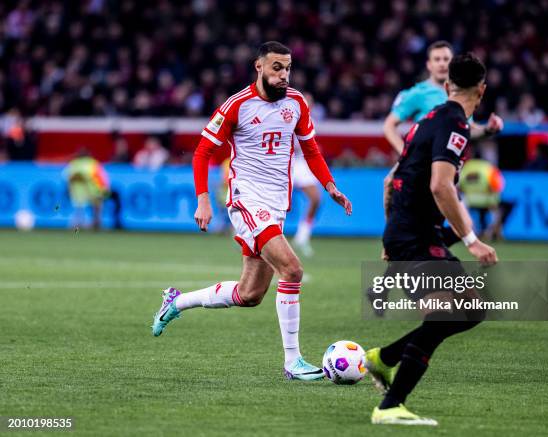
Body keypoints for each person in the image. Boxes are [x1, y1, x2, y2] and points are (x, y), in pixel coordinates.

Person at [151, 42, 352, 381]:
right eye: (276, 67)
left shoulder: (297, 103)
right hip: (246, 199)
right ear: (258, 66)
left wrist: (330, 186)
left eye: (287, 68)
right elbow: (202, 153)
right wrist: (203, 199)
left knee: (250, 294)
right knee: (292, 269)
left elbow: (311, 150)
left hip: (276, 205)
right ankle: (293, 362)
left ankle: (176, 302)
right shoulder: (237, 105)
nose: (283, 74)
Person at [366, 53, 498, 426]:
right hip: (415, 238)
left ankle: (385, 359)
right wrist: (471, 239)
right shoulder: (453, 125)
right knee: (454, 312)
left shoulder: (430, 119)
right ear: (482, 90)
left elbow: (391, 180)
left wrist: (390, 233)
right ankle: (390, 405)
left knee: (467, 309)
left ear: (446, 86)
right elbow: (440, 186)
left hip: (412, 234)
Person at [381, 41, 503, 250]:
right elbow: (389, 125)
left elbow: (467, 129)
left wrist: (487, 130)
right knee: (395, 197)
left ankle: (419, 252)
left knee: (464, 225)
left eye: (446, 59)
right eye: (437, 59)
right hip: (419, 166)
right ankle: (406, 252)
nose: (441, 64)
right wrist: (406, 153)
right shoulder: (418, 93)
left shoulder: (461, 93)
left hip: (442, 165)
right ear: (428, 65)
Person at [291, 92, 323, 257]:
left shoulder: (311, 120)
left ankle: (302, 237)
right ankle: (248, 235)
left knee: (316, 199)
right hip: (285, 162)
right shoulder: (288, 115)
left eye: (310, 101)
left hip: (302, 163)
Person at [64, 149, 110, 230]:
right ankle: (84, 225)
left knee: (82, 209)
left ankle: (91, 224)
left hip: (84, 192)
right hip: (92, 191)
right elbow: (103, 178)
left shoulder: (76, 163)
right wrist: (104, 190)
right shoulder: (92, 163)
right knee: (86, 209)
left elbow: (68, 177)